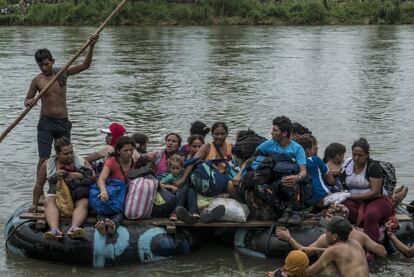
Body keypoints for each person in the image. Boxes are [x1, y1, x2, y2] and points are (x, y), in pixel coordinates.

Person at [24, 34, 99, 174]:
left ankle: (65, 184)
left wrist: (91, 46)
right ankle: (39, 189)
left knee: (66, 156)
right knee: (44, 158)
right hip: (46, 123)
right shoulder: (37, 80)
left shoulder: (62, 73)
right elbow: (27, 100)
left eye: (47, 64)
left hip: (63, 122)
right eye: (41, 65)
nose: (44, 68)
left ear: (52, 61)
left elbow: (85, 65)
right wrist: (30, 102)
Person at [30, 137, 95, 239]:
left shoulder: (81, 161)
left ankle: (74, 227)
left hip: (76, 195)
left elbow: (93, 177)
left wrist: (79, 176)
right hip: (56, 196)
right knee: (48, 200)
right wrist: (34, 204)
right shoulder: (48, 164)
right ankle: (54, 230)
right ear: (57, 154)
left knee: (84, 202)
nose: (69, 156)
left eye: (71, 152)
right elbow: (39, 185)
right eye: (65, 154)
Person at [276, 204, 387, 259]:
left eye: (328, 218)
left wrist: (288, 238)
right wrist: (366, 252)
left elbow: (303, 252)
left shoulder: (325, 238)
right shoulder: (360, 235)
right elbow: (383, 252)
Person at [253, 116, 307, 224]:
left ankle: (297, 210)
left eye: (275, 130)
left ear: (284, 133)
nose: (271, 133)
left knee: (288, 180)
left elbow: (303, 171)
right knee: (259, 187)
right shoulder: (269, 144)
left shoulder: (297, 149)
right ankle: (284, 209)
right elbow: (253, 157)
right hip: (274, 182)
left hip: (289, 182)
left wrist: (298, 177)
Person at [342, 138, 394, 242]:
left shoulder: (373, 167)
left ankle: (370, 248)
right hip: (355, 202)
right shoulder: (348, 164)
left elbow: (375, 192)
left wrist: (352, 197)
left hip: (376, 200)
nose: (356, 158)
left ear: (367, 155)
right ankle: (369, 227)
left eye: (360, 155)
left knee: (371, 214)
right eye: (354, 154)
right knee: (341, 208)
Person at [94, 136, 135, 235]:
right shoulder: (111, 161)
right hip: (110, 193)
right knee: (101, 208)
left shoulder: (135, 162)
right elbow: (101, 179)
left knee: (120, 211)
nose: (129, 153)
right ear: (118, 151)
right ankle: (103, 225)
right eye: (125, 150)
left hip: (123, 195)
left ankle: (113, 225)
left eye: (131, 150)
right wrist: (103, 191)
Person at [304, 216, 369, 277]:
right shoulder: (356, 244)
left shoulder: (333, 250)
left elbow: (309, 272)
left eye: (327, 231)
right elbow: (341, 253)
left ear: (334, 236)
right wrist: (317, 249)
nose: (325, 233)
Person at [295, 134, 335, 207]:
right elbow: (331, 181)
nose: (316, 148)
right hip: (322, 198)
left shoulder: (295, 162)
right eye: (313, 148)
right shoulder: (314, 159)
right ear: (308, 150)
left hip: (305, 201)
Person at [160, 154, 200, 223]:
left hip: (185, 199)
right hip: (176, 198)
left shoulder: (184, 173)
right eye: (173, 168)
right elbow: (159, 184)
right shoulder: (170, 176)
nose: (175, 171)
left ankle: (194, 212)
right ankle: (174, 213)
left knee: (191, 189)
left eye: (177, 168)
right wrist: (171, 187)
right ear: (169, 168)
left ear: (182, 167)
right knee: (185, 188)